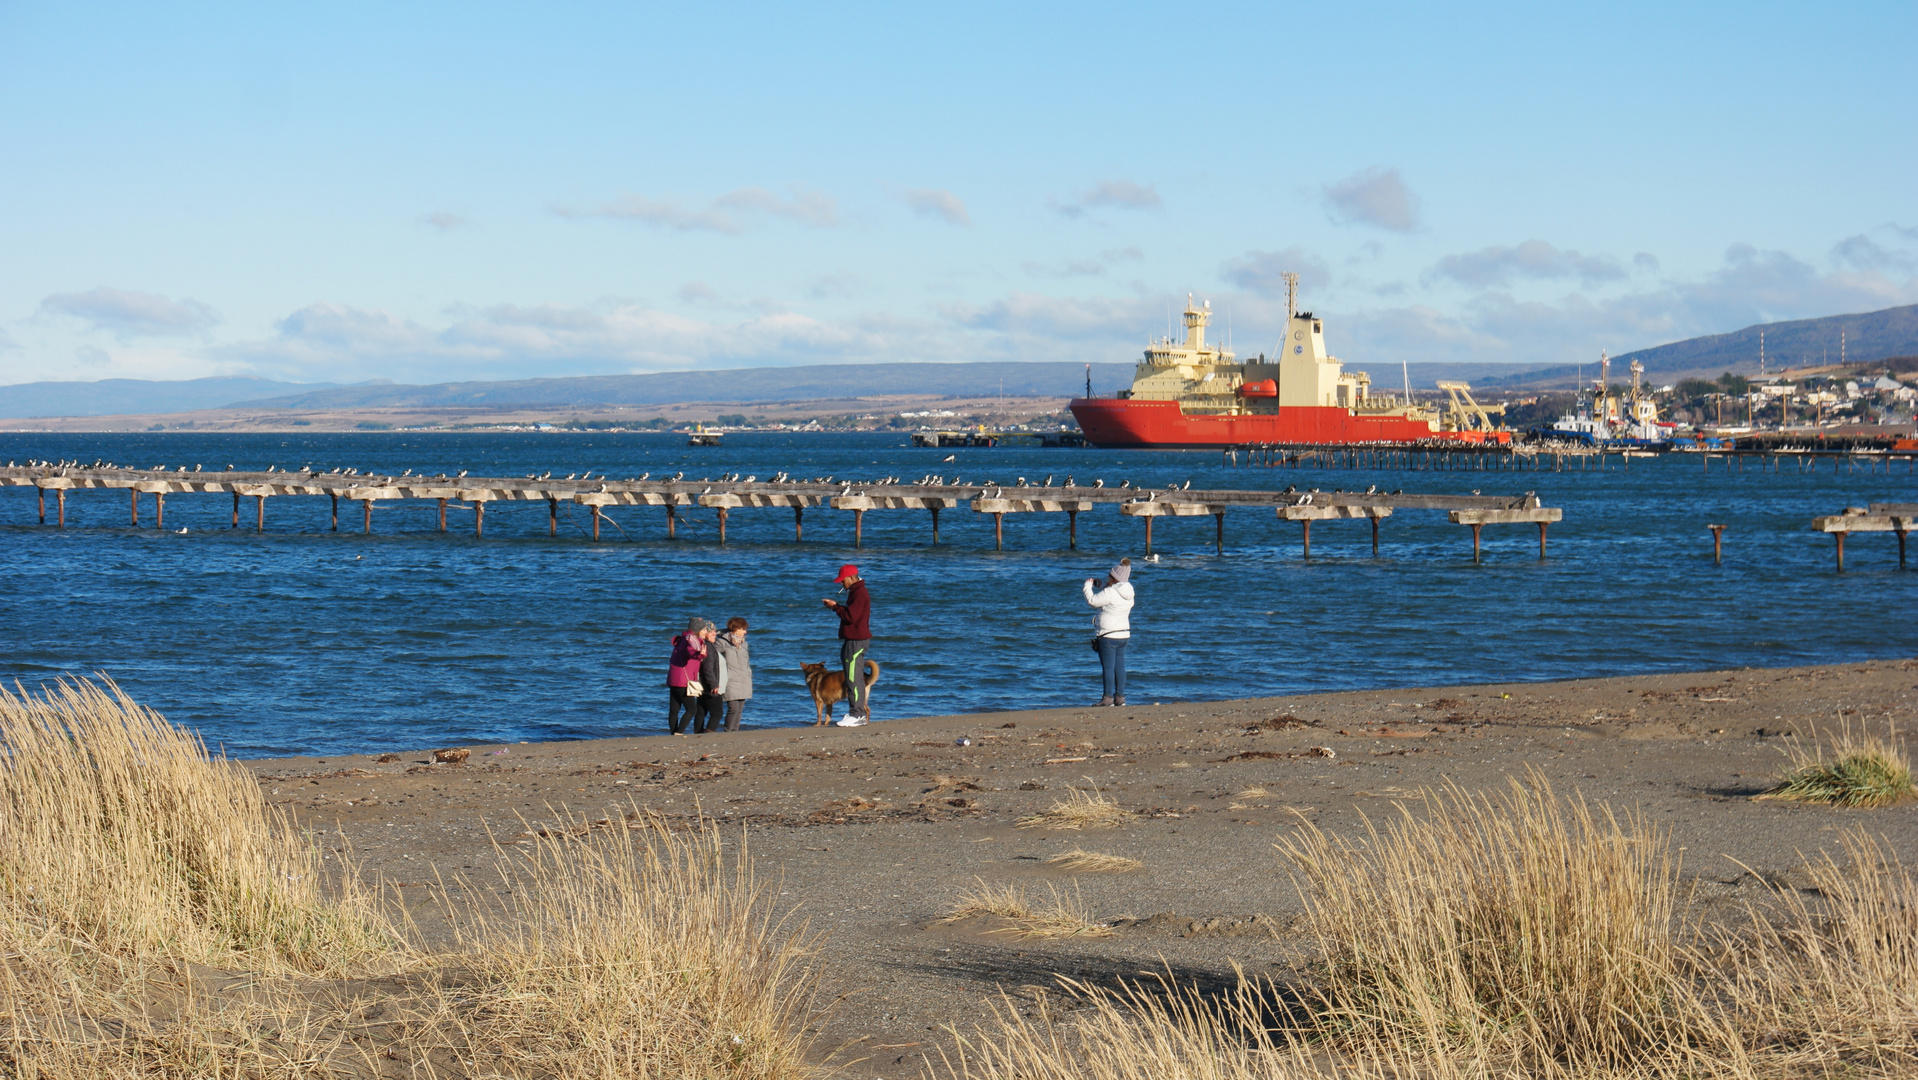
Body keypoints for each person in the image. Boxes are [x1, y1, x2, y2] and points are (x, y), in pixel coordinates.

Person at [822, 563, 872, 726]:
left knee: (853, 678)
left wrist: (835, 607)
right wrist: (837, 607)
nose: (842, 584)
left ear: (851, 578)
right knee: (853, 677)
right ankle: (856, 713)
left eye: (843, 581)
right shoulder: (856, 593)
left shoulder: (860, 593)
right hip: (853, 640)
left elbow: (851, 617)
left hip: (856, 641)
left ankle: (857, 714)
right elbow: (851, 614)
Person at [1083, 558, 1133, 706]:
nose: (1108, 577)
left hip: (1108, 635)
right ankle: (1120, 697)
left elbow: (1092, 601)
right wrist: (1101, 585)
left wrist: (1087, 586)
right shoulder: (1129, 592)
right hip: (1124, 634)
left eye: (1110, 576)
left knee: (1108, 667)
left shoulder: (1110, 592)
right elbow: (1113, 593)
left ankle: (1107, 698)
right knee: (1120, 667)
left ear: (1115, 577)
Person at [667, 618, 712, 734]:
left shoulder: (682, 639)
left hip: (673, 680)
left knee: (674, 710)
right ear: (698, 630)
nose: (705, 631)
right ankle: (679, 732)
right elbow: (690, 651)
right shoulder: (692, 640)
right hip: (684, 682)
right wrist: (699, 655)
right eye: (704, 629)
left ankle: (673, 733)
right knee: (692, 709)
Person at [713, 617, 753, 732]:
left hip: (744, 679)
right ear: (736, 629)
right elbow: (713, 659)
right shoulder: (721, 642)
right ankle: (728, 731)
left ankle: (735, 731)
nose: (745, 632)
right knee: (733, 708)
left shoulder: (743, 644)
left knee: (739, 709)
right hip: (730, 680)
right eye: (743, 629)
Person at [695, 620, 726, 734]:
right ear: (704, 633)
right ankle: (709, 732)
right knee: (717, 713)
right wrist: (713, 684)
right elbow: (707, 668)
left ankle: (697, 731)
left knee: (701, 710)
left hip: (702, 685)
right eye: (711, 632)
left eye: (714, 631)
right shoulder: (707, 647)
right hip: (709, 686)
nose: (715, 634)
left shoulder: (704, 645)